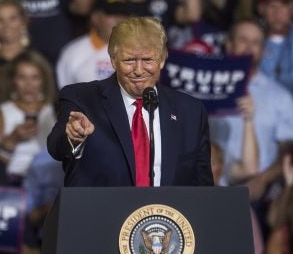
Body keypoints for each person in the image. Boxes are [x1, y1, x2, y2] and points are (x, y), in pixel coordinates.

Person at [47, 16, 213, 187]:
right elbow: (56, 148)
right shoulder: (82, 99)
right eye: (129, 60)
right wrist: (73, 137)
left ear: (162, 59)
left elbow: (203, 186)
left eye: (148, 60)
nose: (139, 71)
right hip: (102, 211)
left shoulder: (190, 111)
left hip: (167, 212)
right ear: (113, 60)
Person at [209, 19, 293, 188]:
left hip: (261, 191)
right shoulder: (205, 87)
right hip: (210, 187)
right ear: (229, 45)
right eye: (243, 40)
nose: (249, 47)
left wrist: (263, 180)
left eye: (256, 42)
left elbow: (289, 150)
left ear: (263, 50)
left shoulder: (280, 96)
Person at [0, 51, 56, 177]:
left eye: (35, 78)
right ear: (13, 80)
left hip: (49, 181)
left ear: (43, 80)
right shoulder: (0, 114)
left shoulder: (55, 111)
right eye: (22, 77)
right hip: (13, 181)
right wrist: (13, 139)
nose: (29, 85)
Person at [55, 0, 132, 89]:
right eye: (112, 14)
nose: (119, 20)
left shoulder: (141, 50)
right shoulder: (72, 52)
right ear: (95, 18)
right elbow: (65, 94)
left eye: (123, 15)